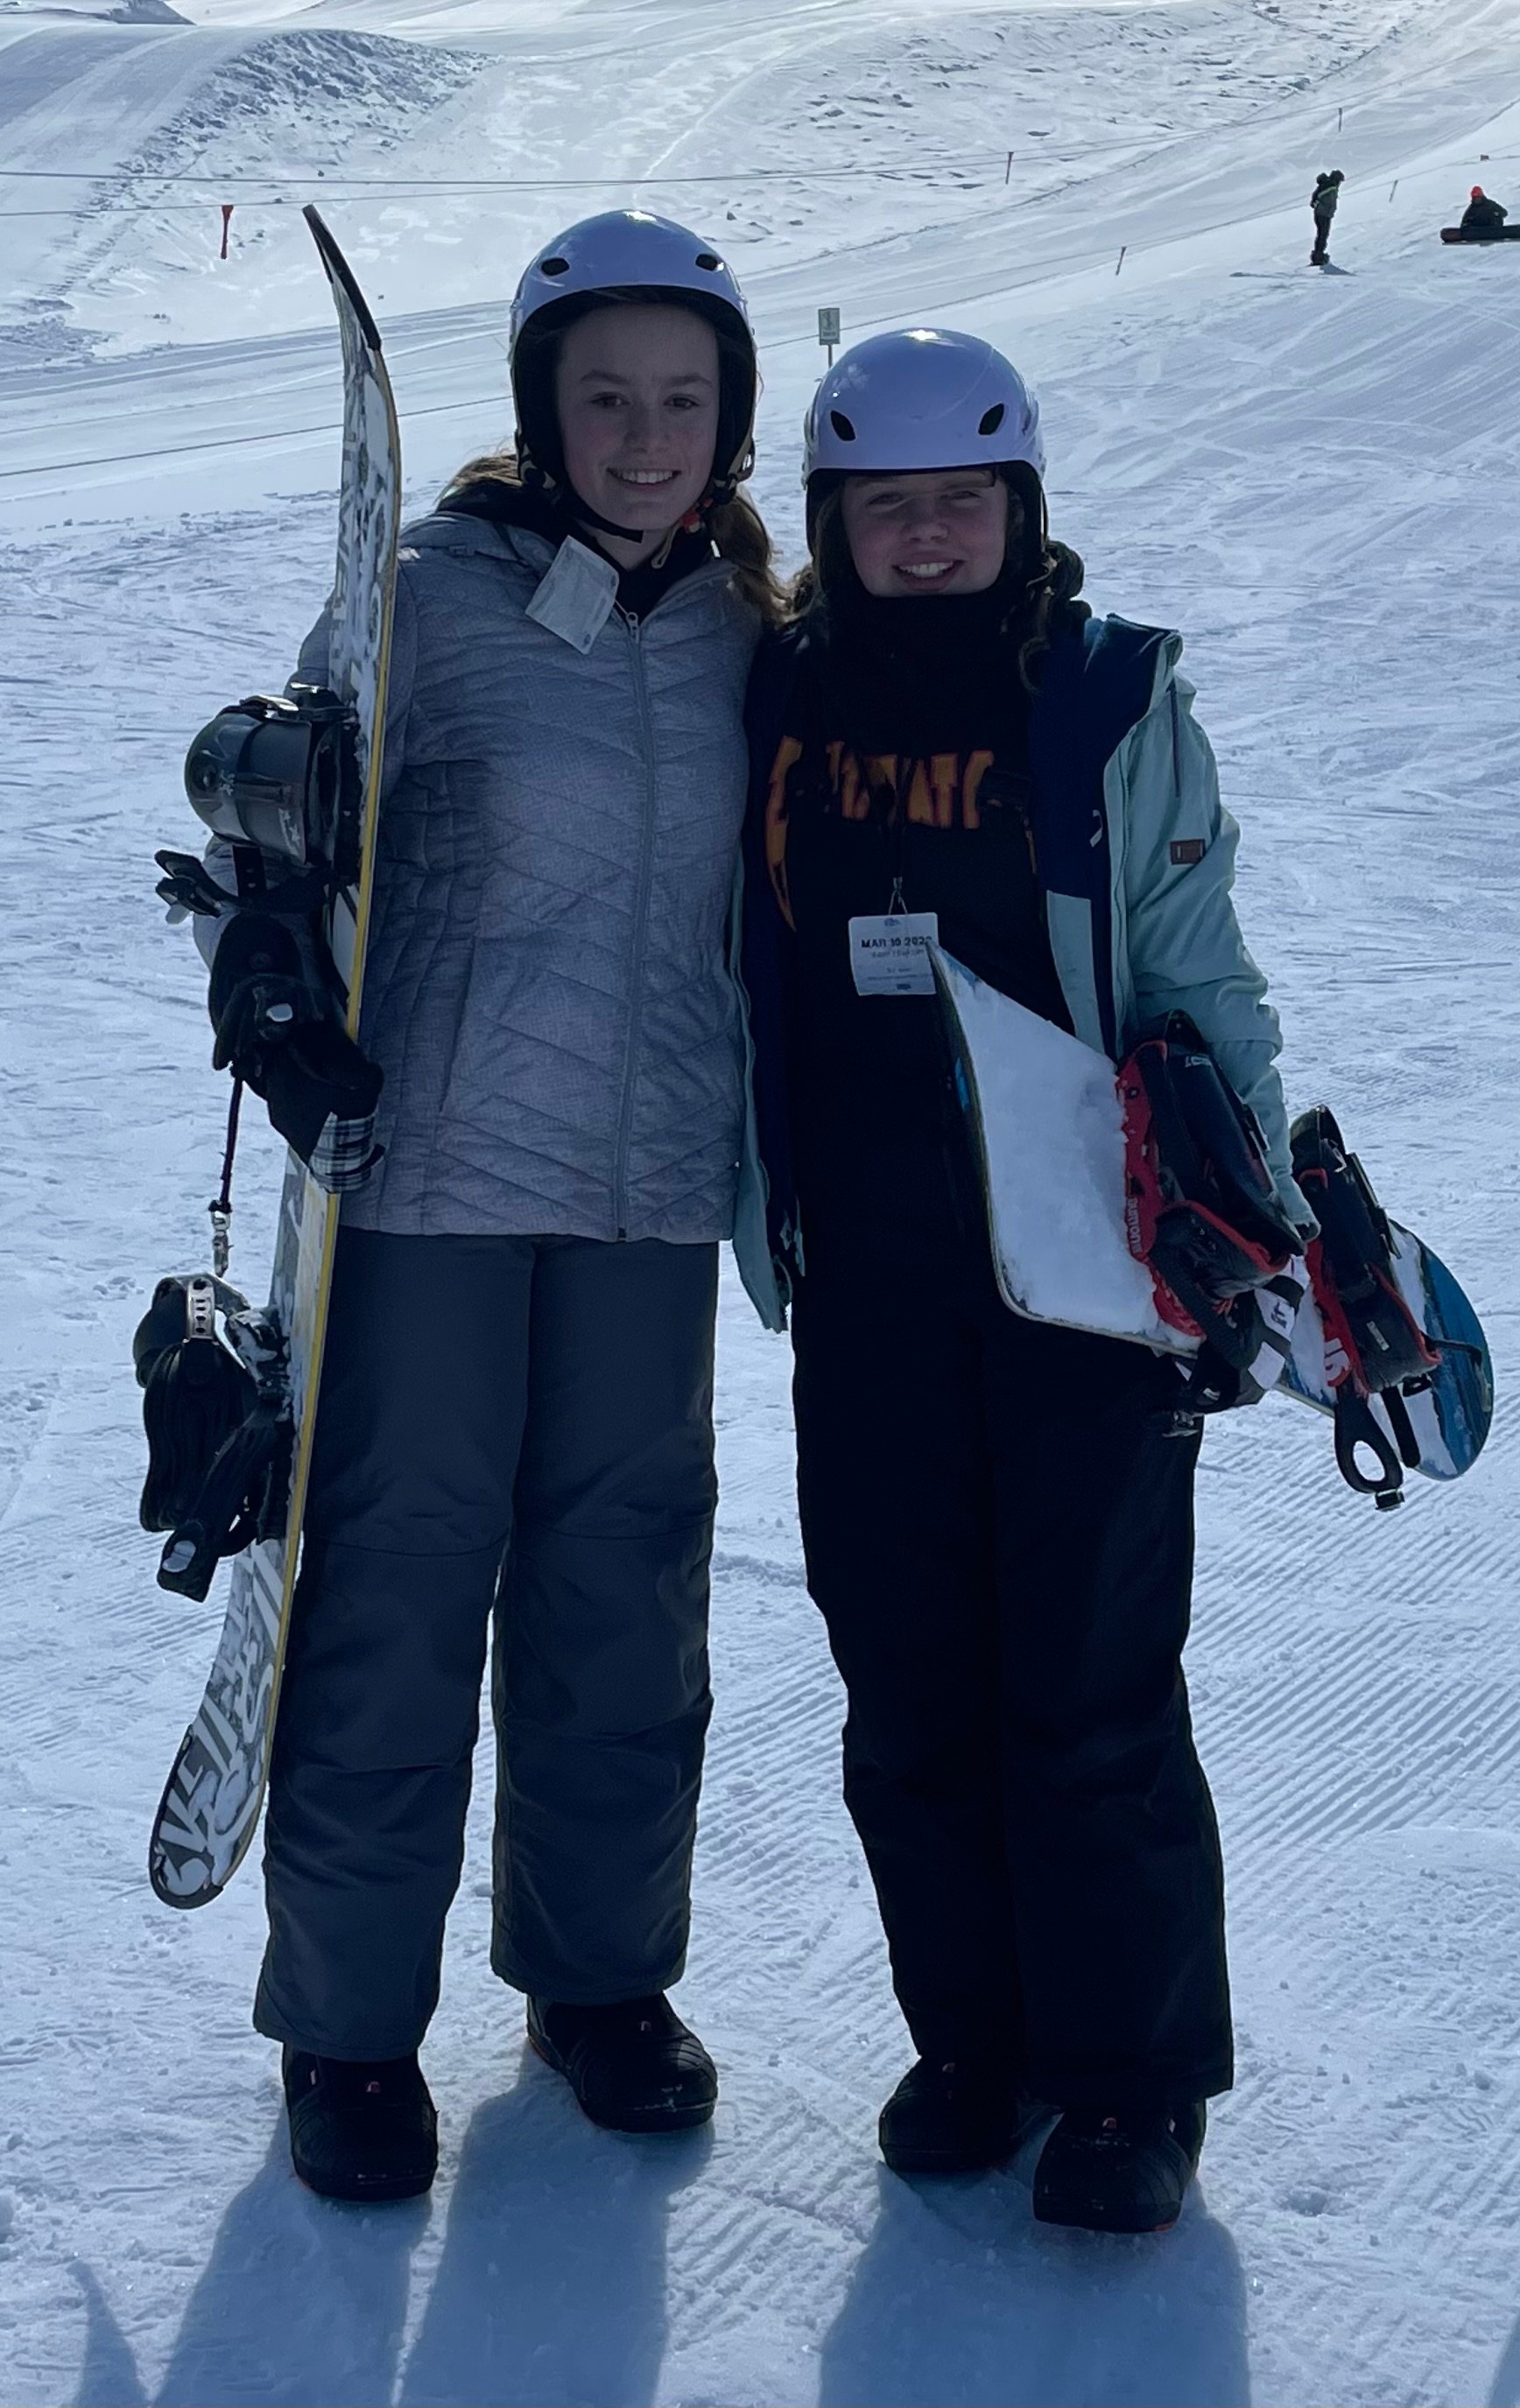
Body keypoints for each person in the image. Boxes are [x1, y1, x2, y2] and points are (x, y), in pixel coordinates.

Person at [194, 210, 783, 2201]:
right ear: (541, 408)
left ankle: (599, 1982)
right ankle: (348, 2028)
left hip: (648, 1197)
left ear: (731, 418)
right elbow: (258, 812)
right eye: (603, 397)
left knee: (627, 1599)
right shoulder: (431, 600)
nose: (642, 437)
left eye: (681, 400)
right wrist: (268, 975)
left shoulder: (741, 632)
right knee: (397, 1588)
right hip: (429, 1179)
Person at [735, 327, 1315, 2236]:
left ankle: (1126, 2082)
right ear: (828, 519)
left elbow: (1189, 963)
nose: (921, 538)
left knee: (1084, 1681)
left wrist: (1242, 1218)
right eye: (881, 505)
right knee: (903, 1677)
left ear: (1019, 507)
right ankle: (970, 2036)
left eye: (957, 501)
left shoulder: (1101, 697)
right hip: (869, 1274)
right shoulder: (773, 698)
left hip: (1084, 1276)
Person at [1311, 168, 1345, 264]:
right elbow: (1329, 202)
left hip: (1320, 213)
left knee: (1321, 235)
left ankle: (1318, 254)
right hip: (1324, 214)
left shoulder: (1327, 185)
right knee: (1323, 235)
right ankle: (1318, 256)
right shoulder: (1331, 187)